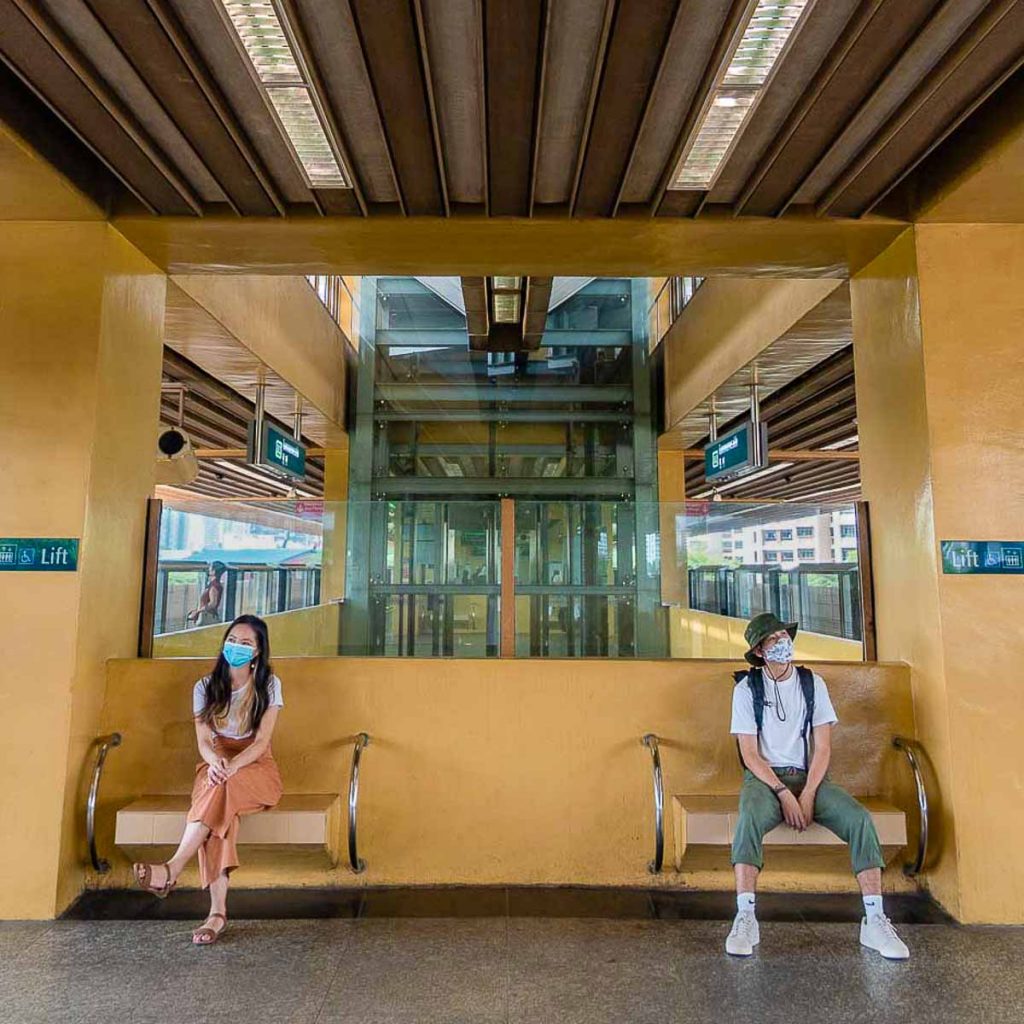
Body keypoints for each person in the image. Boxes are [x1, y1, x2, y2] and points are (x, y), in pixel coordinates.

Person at [725, 612, 910, 961]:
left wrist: (808, 793)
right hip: (766, 779)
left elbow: (823, 747)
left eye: (784, 636)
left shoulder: (813, 684)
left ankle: (874, 919)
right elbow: (750, 754)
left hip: (810, 776)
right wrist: (782, 793)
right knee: (748, 817)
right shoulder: (746, 689)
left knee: (859, 820)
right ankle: (745, 916)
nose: (783, 644)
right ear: (761, 652)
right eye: (774, 640)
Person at [133, 614, 284, 945]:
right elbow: (203, 739)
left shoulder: (269, 685)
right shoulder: (204, 687)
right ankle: (216, 913)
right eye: (232, 640)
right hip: (215, 764)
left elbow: (260, 743)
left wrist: (233, 765)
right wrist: (216, 761)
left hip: (256, 767)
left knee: (221, 792)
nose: (237, 647)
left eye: (246, 643)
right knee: (220, 806)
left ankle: (173, 870)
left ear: (258, 652)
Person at [186, 561, 227, 627]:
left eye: (210, 568)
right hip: (207, 617)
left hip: (207, 618)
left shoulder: (214, 585)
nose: (209, 569)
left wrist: (198, 611)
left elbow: (212, 603)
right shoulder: (214, 584)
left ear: (214, 571)